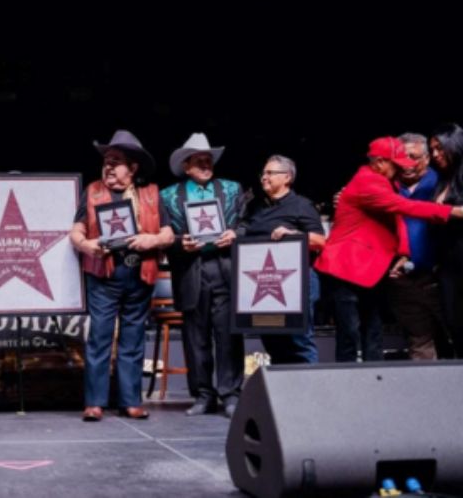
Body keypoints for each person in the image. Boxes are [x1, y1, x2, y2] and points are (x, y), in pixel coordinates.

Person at [314, 136, 463, 362]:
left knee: (373, 332)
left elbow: (396, 220)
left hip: (369, 270)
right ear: (380, 163)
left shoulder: (387, 182)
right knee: (350, 335)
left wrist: (403, 252)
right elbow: (404, 207)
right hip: (345, 269)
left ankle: (376, 385)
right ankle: (347, 390)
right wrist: (452, 211)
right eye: (398, 164)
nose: (403, 169)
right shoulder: (368, 182)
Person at [70, 130, 174, 422]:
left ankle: (130, 400)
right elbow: (76, 229)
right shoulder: (92, 191)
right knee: (100, 337)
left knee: (133, 338)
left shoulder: (151, 193)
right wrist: (86, 245)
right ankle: (94, 402)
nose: (108, 167)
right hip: (104, 274)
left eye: (116, 161)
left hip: (139, 273)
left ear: (133, 167)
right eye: (106, 161)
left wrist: (150, 241)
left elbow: (168, 233)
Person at [160, 132, 246, 418]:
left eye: (208, 160)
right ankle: (202, 395)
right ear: (186, 166)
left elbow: (248, 224)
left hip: (224, 267)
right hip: (191, 269)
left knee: (228, 335)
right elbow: (165, 236)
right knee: (195, 337)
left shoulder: (233, 189)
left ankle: (231, 395)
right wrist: (179, 243)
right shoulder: (169, 195)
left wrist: (236, 233)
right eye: (198, 161)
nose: (205, 164)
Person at [238, 155, 325, 363]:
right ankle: (283, 392)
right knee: (273, 341)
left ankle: (307, 393)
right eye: (263, 173)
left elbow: (321, 242)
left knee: (300, 341)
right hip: (263, 283)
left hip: (297, 282)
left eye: (270, 173)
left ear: (287, 177)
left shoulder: (302, 205)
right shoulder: (257, 207)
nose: (264, 178)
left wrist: (293, 234)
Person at [386, 133, 443, 360]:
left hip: (440, 278)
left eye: (414, 157)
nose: (407, 164)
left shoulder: (443, 184)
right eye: (402, 157)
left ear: (428, 158)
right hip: (402, 280)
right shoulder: (386, 187)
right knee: (419, 340)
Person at [429, 124, 463, 357]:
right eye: (432, 150)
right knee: (452, 320)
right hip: (448, 260)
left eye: (439, 148)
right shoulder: (443, 179)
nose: (435, 155)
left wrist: (445, 211)